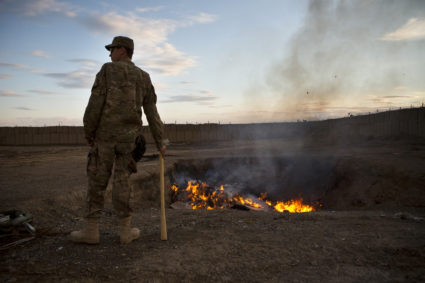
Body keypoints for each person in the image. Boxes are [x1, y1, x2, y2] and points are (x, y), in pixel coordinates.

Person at [70, 36, 166, 244]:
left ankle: (92, 231)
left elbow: (95, 103)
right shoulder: (144, 77)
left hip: (104, 138)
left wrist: (89, 132)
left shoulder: (107, 70)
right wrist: (161, 142)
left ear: (122, 50)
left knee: (97, 181)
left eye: (112, 49)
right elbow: (152, 113)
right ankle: (125, 231)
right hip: (129, 141)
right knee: (123, 182)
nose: (109, 53)